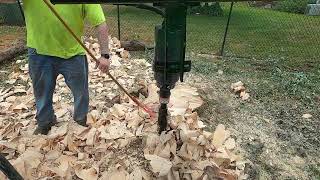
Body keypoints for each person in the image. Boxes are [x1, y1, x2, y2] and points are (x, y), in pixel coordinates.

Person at [0, 0, 111, 135]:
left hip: (73, 53)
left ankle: (80, 122)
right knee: (41, 92)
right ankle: (45, 122)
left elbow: (100, 23)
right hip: (39, 52)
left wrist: (104, 55)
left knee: (81, 92)